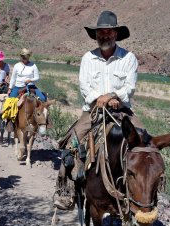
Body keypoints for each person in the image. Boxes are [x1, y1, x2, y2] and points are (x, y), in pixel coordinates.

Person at [53, 11, 143, 210]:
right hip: (92, 111)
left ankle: (146, 197)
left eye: (108, 32)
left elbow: (129, 87)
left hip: (122, 111)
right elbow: (84, 86)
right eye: (100, 32)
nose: (104, 36)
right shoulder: (88, 58)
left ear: (116, 34)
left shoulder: (128, 58)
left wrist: (112, 97)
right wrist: (99, 99)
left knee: (145, 143)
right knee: (71, 144)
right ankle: (65, 191)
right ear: (95, 35)